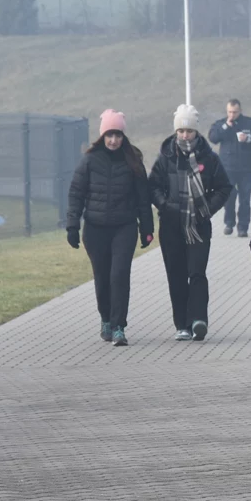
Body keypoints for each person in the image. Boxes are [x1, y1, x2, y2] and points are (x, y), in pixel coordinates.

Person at [66, 109, 155, 347]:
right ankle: (105, 318)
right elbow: (76, 193)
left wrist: (147, 228)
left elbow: (142, 198)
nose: (113, 140)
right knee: (102, 277)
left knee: (119, 275)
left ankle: (118, 327)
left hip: (123, 228)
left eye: (117, 135)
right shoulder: (90, 160)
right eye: (109, 135)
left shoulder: (133, 160)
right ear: (102, 136)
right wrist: (72, 225)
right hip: (95, 229)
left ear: (123, 136)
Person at [149, 104, 233, 342]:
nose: (185, 135)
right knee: (176, 275)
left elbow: (224, 188)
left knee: (196, 273)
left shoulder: (209, 158)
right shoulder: (166, 157)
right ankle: (182, 325)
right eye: (181, 130)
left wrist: (206, 210)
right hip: (171, 226)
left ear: (196, 131)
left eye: (189, 130)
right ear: (176, 131)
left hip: (199, 226)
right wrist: (165, 205)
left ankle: (199, 320)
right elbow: (152, 186)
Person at [208, 98, 251, 237]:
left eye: (235, 112)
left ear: (240, 111)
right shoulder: (221, 124)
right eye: (229, 112)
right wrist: (226, 126)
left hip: (245, 169)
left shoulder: (250, 123)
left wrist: (249, 139)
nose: (232, 115)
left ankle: (243, 228)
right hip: (227, 169)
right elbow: (213, 137)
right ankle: (229, 223)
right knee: (229, 197)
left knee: (245, 199)